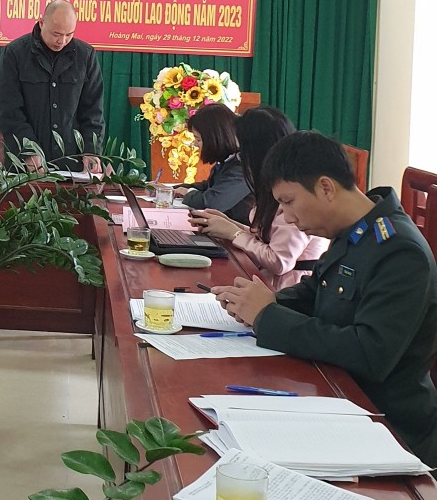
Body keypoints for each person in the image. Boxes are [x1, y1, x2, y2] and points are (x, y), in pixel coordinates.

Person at [213, 131, 437, 466]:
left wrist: (267, 316)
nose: (288, 217)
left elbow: (369, 353)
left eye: (289, 202)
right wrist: (257, 302)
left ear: (326, 188)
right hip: (336, 395)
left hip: (386, 426)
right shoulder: (355, 231)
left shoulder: (399, 251)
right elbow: (314, 293)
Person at [187, 106, 329, 286]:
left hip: (288, 288)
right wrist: (227, 224)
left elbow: (279, 262)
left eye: (243, 152)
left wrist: (233, 233)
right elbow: (267, 238)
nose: (239, 158)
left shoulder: (293, 190)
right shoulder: (277, 183)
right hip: (266, 280)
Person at [0, 0, 104, 171]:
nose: (62, 40)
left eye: (69, 34)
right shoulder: (15, 53)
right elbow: (10, 110)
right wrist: (29, 151)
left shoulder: (85, 56)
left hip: (73, 165)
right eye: (56, 34)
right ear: (41, 23)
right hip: (27, 165)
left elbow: (93, 112)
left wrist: (91, 151)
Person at [180, 103, 253, 224]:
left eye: (198, 139)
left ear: (215, 138)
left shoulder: (242, 166)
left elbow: (212, 203)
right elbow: (209, 186)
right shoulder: (228, 161)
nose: (195, 144)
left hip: (239, 232)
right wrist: (170, 190)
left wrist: (187, 193)